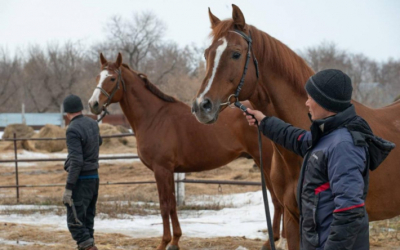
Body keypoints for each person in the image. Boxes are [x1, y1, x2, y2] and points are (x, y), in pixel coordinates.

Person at [245, 69, 395, 250]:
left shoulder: (343, 146)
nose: (306, 103)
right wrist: (265, 122)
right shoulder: (328, 136)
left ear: (326, 103)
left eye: (311, 98)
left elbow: (349, 211)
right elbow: (296, 138)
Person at [62, 94, 102, 250]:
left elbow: (77, 162)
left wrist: (69, 188)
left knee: (76, 224)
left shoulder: (72, 129)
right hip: (94, 179)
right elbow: (99, 141)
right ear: (80, 108)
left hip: (81, 181)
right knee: (87, 223)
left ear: (67, 112)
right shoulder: (92, 123)